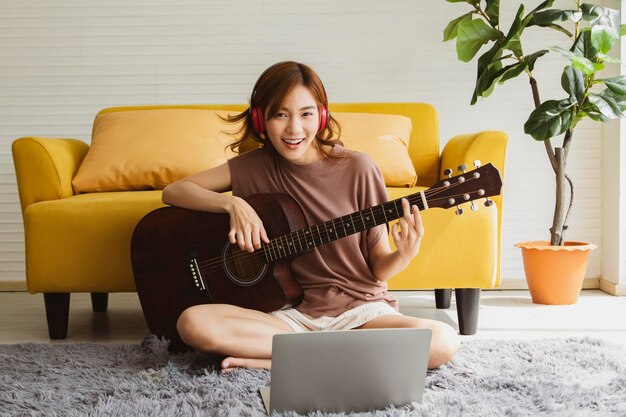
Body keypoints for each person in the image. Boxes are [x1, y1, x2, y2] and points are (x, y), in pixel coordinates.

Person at [162, 61, 460, 373]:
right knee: (193, 323)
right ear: (260, 118)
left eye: (306, 114)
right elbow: (175, 190)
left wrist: (404, 255)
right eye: (280, 114)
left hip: (361, 313)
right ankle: (325, 355)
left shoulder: (359, 168)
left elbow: (378, 267)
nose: (294, 129)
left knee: (443, 340)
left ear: (321, 114)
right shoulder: (250, 167)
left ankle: (278, 360)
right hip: (289, 317)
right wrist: (233, 206)